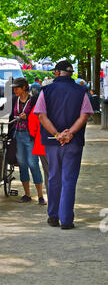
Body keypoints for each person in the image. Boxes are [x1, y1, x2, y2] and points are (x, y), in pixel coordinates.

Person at [34, 60, 94, 229]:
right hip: (73, 142)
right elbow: (84, 116)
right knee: (69, 179)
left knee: (54, 177)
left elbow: (41, 116)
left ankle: (53, 216)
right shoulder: (81, 91)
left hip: (52, 142)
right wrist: (70, 133)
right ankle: (66, 220)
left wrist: (56, 134)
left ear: (57, 73)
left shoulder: (46, 90)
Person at [11, 77, 46, 205]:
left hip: (30, 136)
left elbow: (39, 114)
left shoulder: (33, 100)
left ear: (24, 87)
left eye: (17, 88)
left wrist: (28, 116)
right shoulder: (14, 100)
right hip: (17, 135)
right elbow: (3, 109)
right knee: (22, 164)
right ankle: (27, 194)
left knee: (33, 164)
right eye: (14, 88)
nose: (15, 90)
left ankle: (41, 196)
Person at [28, 106, 48, 196]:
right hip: (62, 143)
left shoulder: (41, 103)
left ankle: (52, 198)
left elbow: (32, 120)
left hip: (43, 143)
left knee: (48, 172)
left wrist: (34, 134)